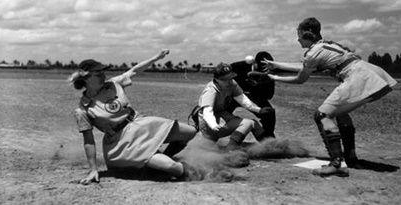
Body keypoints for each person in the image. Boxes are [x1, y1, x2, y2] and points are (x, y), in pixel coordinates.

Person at [259, 17, 397, 177]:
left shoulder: (313, 52)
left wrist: (275, 78)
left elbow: (300, 78)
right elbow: (306, 65)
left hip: (358, 76)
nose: (298, 39)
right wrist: (276, 65)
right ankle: (350, 158)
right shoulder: (325, 45)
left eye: (299, 35)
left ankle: (336, 163)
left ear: (308, 33)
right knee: (340, 113)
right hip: (369, 72)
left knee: (322, 115)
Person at [68, 50, 198, 184]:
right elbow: (89, 141)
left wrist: (156, 57)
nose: (103, 75)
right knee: (173, 168)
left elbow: (135, 70)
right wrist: (93, 169)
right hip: (123, 144)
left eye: (103, 72)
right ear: (86, 78)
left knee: (191, 132)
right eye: (98, 74)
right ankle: (196, 172)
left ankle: (163, 157)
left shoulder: (113, 83)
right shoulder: (83, 109)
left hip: (140, 124)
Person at [195, 62, 274, 150]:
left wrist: (259, 110)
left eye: (230, 78)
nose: (229, 81)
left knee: (253, 123)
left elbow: (243, 100)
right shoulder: (211, 90)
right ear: (217, 80)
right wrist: (213, 125)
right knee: (248, 123)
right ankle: (231, 150)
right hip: (209, 124)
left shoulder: (232, 84)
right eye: (225, 79)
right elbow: (207, 112)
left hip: (221, 117)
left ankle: (269, 147)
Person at [230, 51, 277, 138]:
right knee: (219, 109)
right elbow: (220, 76)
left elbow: (269, 96)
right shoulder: (238, 66)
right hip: (234, 96)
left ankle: (268, 139)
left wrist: (259, 85)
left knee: (269, 113)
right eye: (260, 68)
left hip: (255, 97)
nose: (264, 70)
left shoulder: (268, 75)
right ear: (254, 62)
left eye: (267, 68)